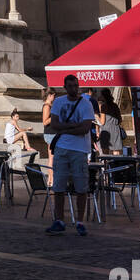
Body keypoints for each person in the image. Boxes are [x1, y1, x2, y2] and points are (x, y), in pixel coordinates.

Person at [46, 74, 95, 236]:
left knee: (81, 187)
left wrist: (65, 128)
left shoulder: (86, 104)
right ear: (65, 87)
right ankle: (59, 220)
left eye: (76, 86)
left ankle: (80, 221)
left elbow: (85, 128)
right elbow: (54, 124)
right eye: (71, 86)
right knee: (58, 186)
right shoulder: (59, 102)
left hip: (80, 150)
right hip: (61, 148)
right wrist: (73, 126)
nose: (74, 89)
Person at [96, 88, 125, 155]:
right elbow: (120, 120)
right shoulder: (115, 105)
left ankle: (107, 165)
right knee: (116, 151)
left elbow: (102, 122)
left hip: (106, 131)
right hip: (115, 130)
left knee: (105, 152)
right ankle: (116, 165)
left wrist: (97, 116)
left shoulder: (103, 106)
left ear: (103, 96)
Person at [41, 87, 57, 170]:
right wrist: (55, 115)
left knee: (53, 158)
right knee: (52, 158)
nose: (55, 98)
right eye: (54, 95)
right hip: (50, 134)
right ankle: (51, 180)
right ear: (50, 95)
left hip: (53, 133)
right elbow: (45, 122)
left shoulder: (51, 105)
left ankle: (51, 179)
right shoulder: (47, 106)